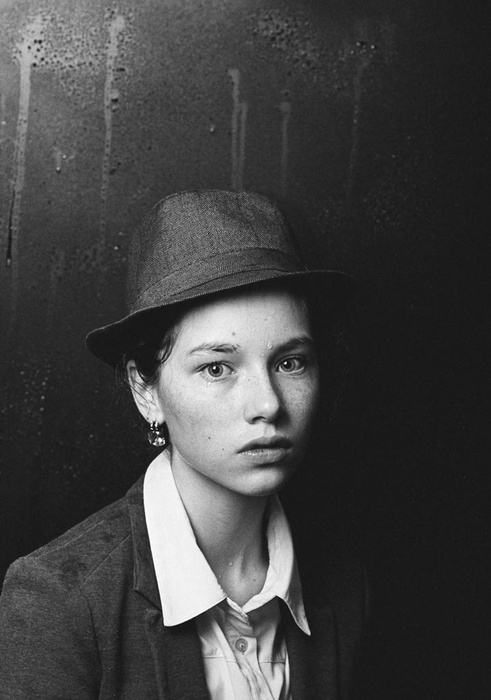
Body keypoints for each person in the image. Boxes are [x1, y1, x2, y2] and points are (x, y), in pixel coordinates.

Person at [0, 190, 367, 699]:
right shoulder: (60, 602)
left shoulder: (346, 583)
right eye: (217, 368)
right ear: (145, 390)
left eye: (290, 362)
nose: (267, 404)